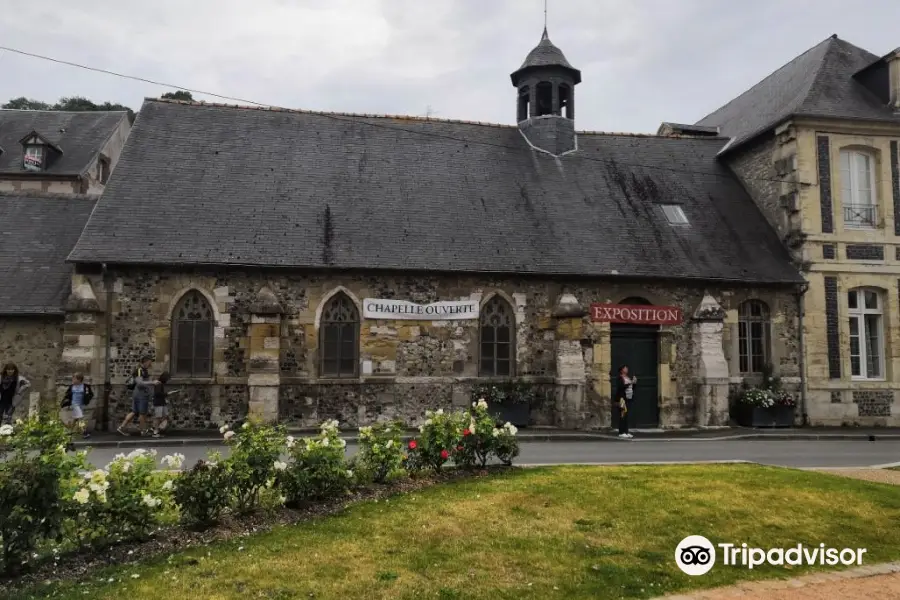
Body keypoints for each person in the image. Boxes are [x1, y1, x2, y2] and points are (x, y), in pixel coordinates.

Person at [117, 356, 158, 436]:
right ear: (145, 362)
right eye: (150, 361)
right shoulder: (139, 370)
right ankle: (143, 430)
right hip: (141, 395)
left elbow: (144, 382)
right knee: (142, 413)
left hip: (139, 394)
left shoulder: (144, 370)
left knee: (134, 411)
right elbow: (139, 383)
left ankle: (121, 427)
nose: (151, 363)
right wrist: (152, 382)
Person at [61, 373, 94, 439]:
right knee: (80, 418)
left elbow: (91, 394)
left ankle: (69, 431)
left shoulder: (85, 386)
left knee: (76, 419)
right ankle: (84, 433)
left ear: (79, 379)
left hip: (81, 405)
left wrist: (87, 399)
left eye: (74, 378)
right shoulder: (72, 386)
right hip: (74, 404)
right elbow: (67, 395)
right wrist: (67, 403)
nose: (73, 380)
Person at [151, 371, 176, 438]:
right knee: (158, 417)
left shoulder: (160, 384)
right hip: (158, 403)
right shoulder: (159, 384)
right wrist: (168, 394)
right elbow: (158, 394)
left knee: (166, 416)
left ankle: (157, 429)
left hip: (162, 402)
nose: (168, 380)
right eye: (168, 379)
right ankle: (155, 432)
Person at [616, 365, 637, 439]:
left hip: (628, 398)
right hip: (622, 399)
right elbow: (621, 387)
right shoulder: (620, 378)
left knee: (626, 415)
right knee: (622, 415)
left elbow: (631, 387)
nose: (626, 369)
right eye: (625, 368)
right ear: (621, 370)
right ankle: (621, 432)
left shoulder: (627, 378)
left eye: (627, 368)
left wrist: (634, 383)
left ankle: (626, 431)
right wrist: (630, 383)